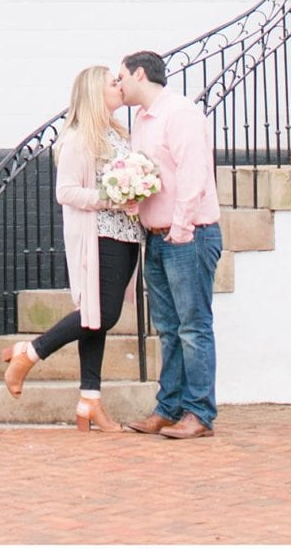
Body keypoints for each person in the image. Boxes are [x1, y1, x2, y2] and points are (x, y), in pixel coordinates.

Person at [3, 65, 143, 432]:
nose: (119, 85)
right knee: (102, 315)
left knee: (96, 321)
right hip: (100, 235)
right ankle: (30, 354)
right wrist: (112, 198)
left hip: (126, 234)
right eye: (113, 82)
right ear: (96, 93)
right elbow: (64, 192)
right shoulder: (80, 138)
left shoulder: (118, 133)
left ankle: (89, 402)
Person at [117, 50, 222, 440]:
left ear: (139, 74)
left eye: (121, 76)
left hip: (188, 234)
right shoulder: (142, 122)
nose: (119, 84)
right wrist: (134, 200)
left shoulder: (180, 114)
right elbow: (152, 177)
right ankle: (169, 407)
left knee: (194, 327)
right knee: (167, 328)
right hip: (156, 236)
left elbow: (194, 174)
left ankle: (199, 413)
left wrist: (180, 228)